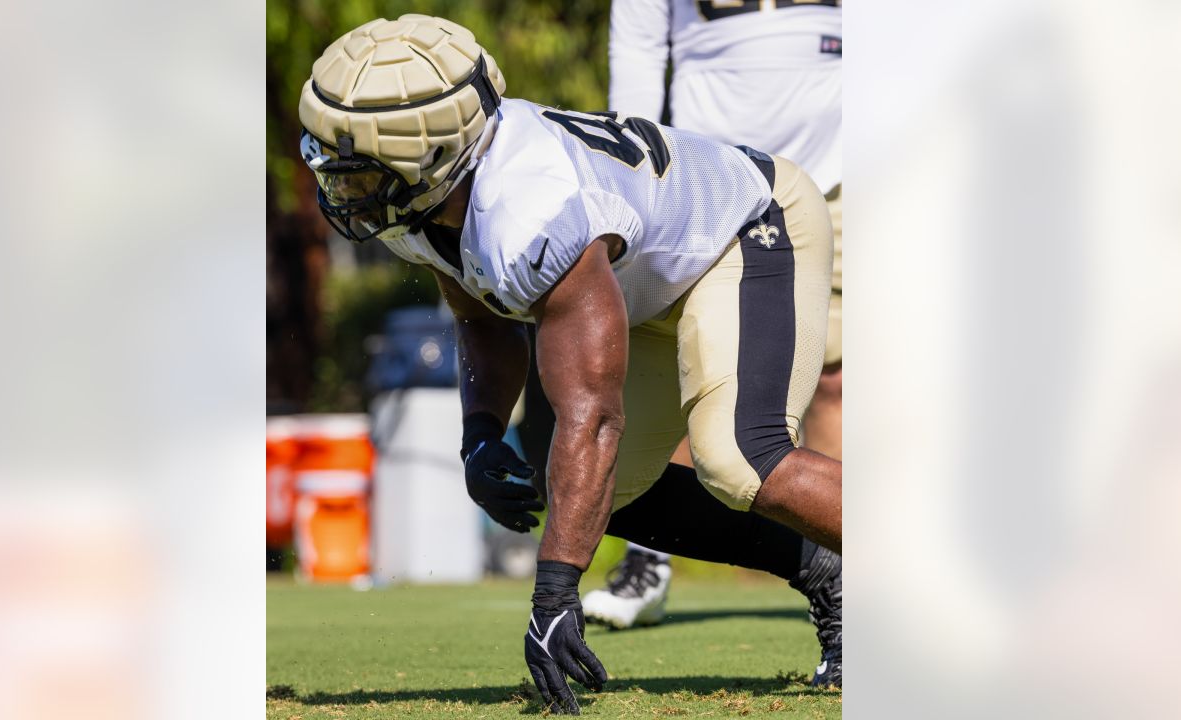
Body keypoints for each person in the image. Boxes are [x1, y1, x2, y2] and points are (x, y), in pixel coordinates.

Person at [297, 14, 841, 713]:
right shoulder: (438, 195)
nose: (343, 192)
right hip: (653, 280)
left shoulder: (531, 206)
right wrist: (482, 432)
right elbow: (481, 317)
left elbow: (595, 415)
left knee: (740, 455)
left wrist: (555, 591)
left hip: (749, 228)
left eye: (360, 173)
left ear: (424, 160)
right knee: (584, 496)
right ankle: (824, 572)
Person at [581, 0, 843, 660]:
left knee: (827, 384)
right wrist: (633, 169)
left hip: (838, 169)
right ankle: (650, 561)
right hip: (704, 180)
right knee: (679, 382)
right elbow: (639, 48)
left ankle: (864, 583)